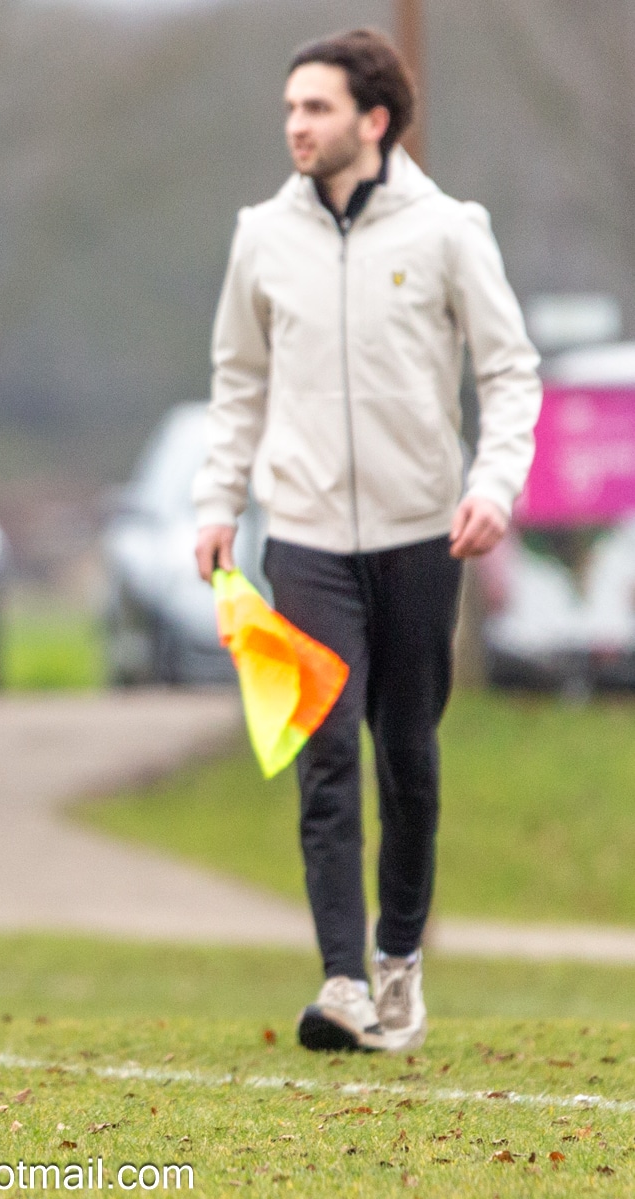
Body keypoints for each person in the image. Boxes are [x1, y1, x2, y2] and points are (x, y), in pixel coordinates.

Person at [192, 29, 540, 1053]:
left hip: (424, 535)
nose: (296, 126)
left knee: (409, 756)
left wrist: (494, 485)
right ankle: (342, 980)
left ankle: (399, 964)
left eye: (317, 108)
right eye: (290, 108)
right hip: (303, 538)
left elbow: (510, 371)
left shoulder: (449, 231)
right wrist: (217, 502)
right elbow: (238, 381)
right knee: (327, 747)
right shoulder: (262, 235)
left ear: (374, 119)